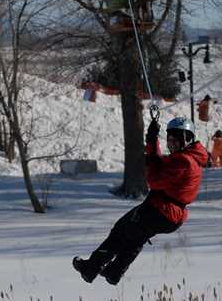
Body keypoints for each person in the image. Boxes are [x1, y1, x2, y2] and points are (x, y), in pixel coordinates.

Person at [73, 117, 207, 285]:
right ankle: (114, 272)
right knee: (135, 237)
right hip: (168, 213)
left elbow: (154, 180)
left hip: (161, 210)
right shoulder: (187, 157)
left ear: (187, 139)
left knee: (121, 230)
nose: (171, 144)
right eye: (169, 140)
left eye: (176, 140)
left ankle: (91, 268)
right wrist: (152, 140)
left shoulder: (183, 161)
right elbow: (159, 163)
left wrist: (151, 157)